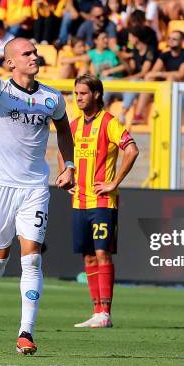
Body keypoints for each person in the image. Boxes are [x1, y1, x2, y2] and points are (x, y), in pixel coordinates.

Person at [0, 28, 75, 355]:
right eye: (26, 53)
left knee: (33, 258)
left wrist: (69, 166)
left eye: (35, 51)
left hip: (34, 187)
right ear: (10, 62)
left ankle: (26, 331)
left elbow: (64, 130)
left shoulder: (52, 97)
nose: (34, 56)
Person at [63, 74, 138, 328]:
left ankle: (105, 312)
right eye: (76, 94)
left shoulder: (109, 123)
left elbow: (132, 149)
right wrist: (67, 174)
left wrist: (114, 182)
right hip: (79, 202)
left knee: (102, 252)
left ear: (96, 94)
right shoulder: (73, 126)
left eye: (83, 93)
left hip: (103, 202)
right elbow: (65, 152)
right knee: (88, 257)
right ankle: (96, 312)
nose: (78, 98)